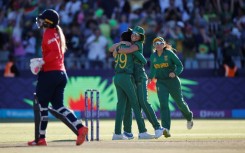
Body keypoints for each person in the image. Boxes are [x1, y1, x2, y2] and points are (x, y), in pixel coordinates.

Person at [27, 9, 88, 146]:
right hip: (61, 73)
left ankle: (41, 139)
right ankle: (80, 127)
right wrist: (43, 60)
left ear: (48, 22)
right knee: (59, 106)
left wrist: (42, 62)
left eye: (43, 19)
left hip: (49, 74)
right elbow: (56, 53)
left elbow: (54, 53)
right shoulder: (57, 33)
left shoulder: (48, 33)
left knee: (42, 106)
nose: (40, 21)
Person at [115, 26, 164, 139]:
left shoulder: (138, 45)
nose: (135, 35)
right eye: (134, 33)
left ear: (141, 38)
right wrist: (121, 46)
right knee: (129, 105)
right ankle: (128, 132)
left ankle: (157, 127)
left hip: (140, 78)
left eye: (138, 35)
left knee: (142, 102)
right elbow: (113, 51)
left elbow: (139, 58)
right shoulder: (130, 45)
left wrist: (119, 48)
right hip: (132, 79)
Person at [109, 29, 154, 140]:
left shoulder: (118, 49)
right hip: (126, 77)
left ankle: (117, 133)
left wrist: (119, 45)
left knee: (120, 106)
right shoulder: (129, 49)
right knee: (135, 104)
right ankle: (142, 131)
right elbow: (143, 61)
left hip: (117, 77)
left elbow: (112, 51)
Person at [148, 36, 193, 138]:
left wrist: (175, 73)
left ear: (164, 45)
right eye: (156, 44)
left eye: (160, 43)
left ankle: (189, 116)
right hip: (161, 82)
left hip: (173, 82)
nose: (158, 45)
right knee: (163, 105)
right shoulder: (153, 56)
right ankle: (166, 129)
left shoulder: (169, 54)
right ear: (154, 46)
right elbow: (153, 69)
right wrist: (150, 78)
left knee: (179, 102)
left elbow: (180, 66)